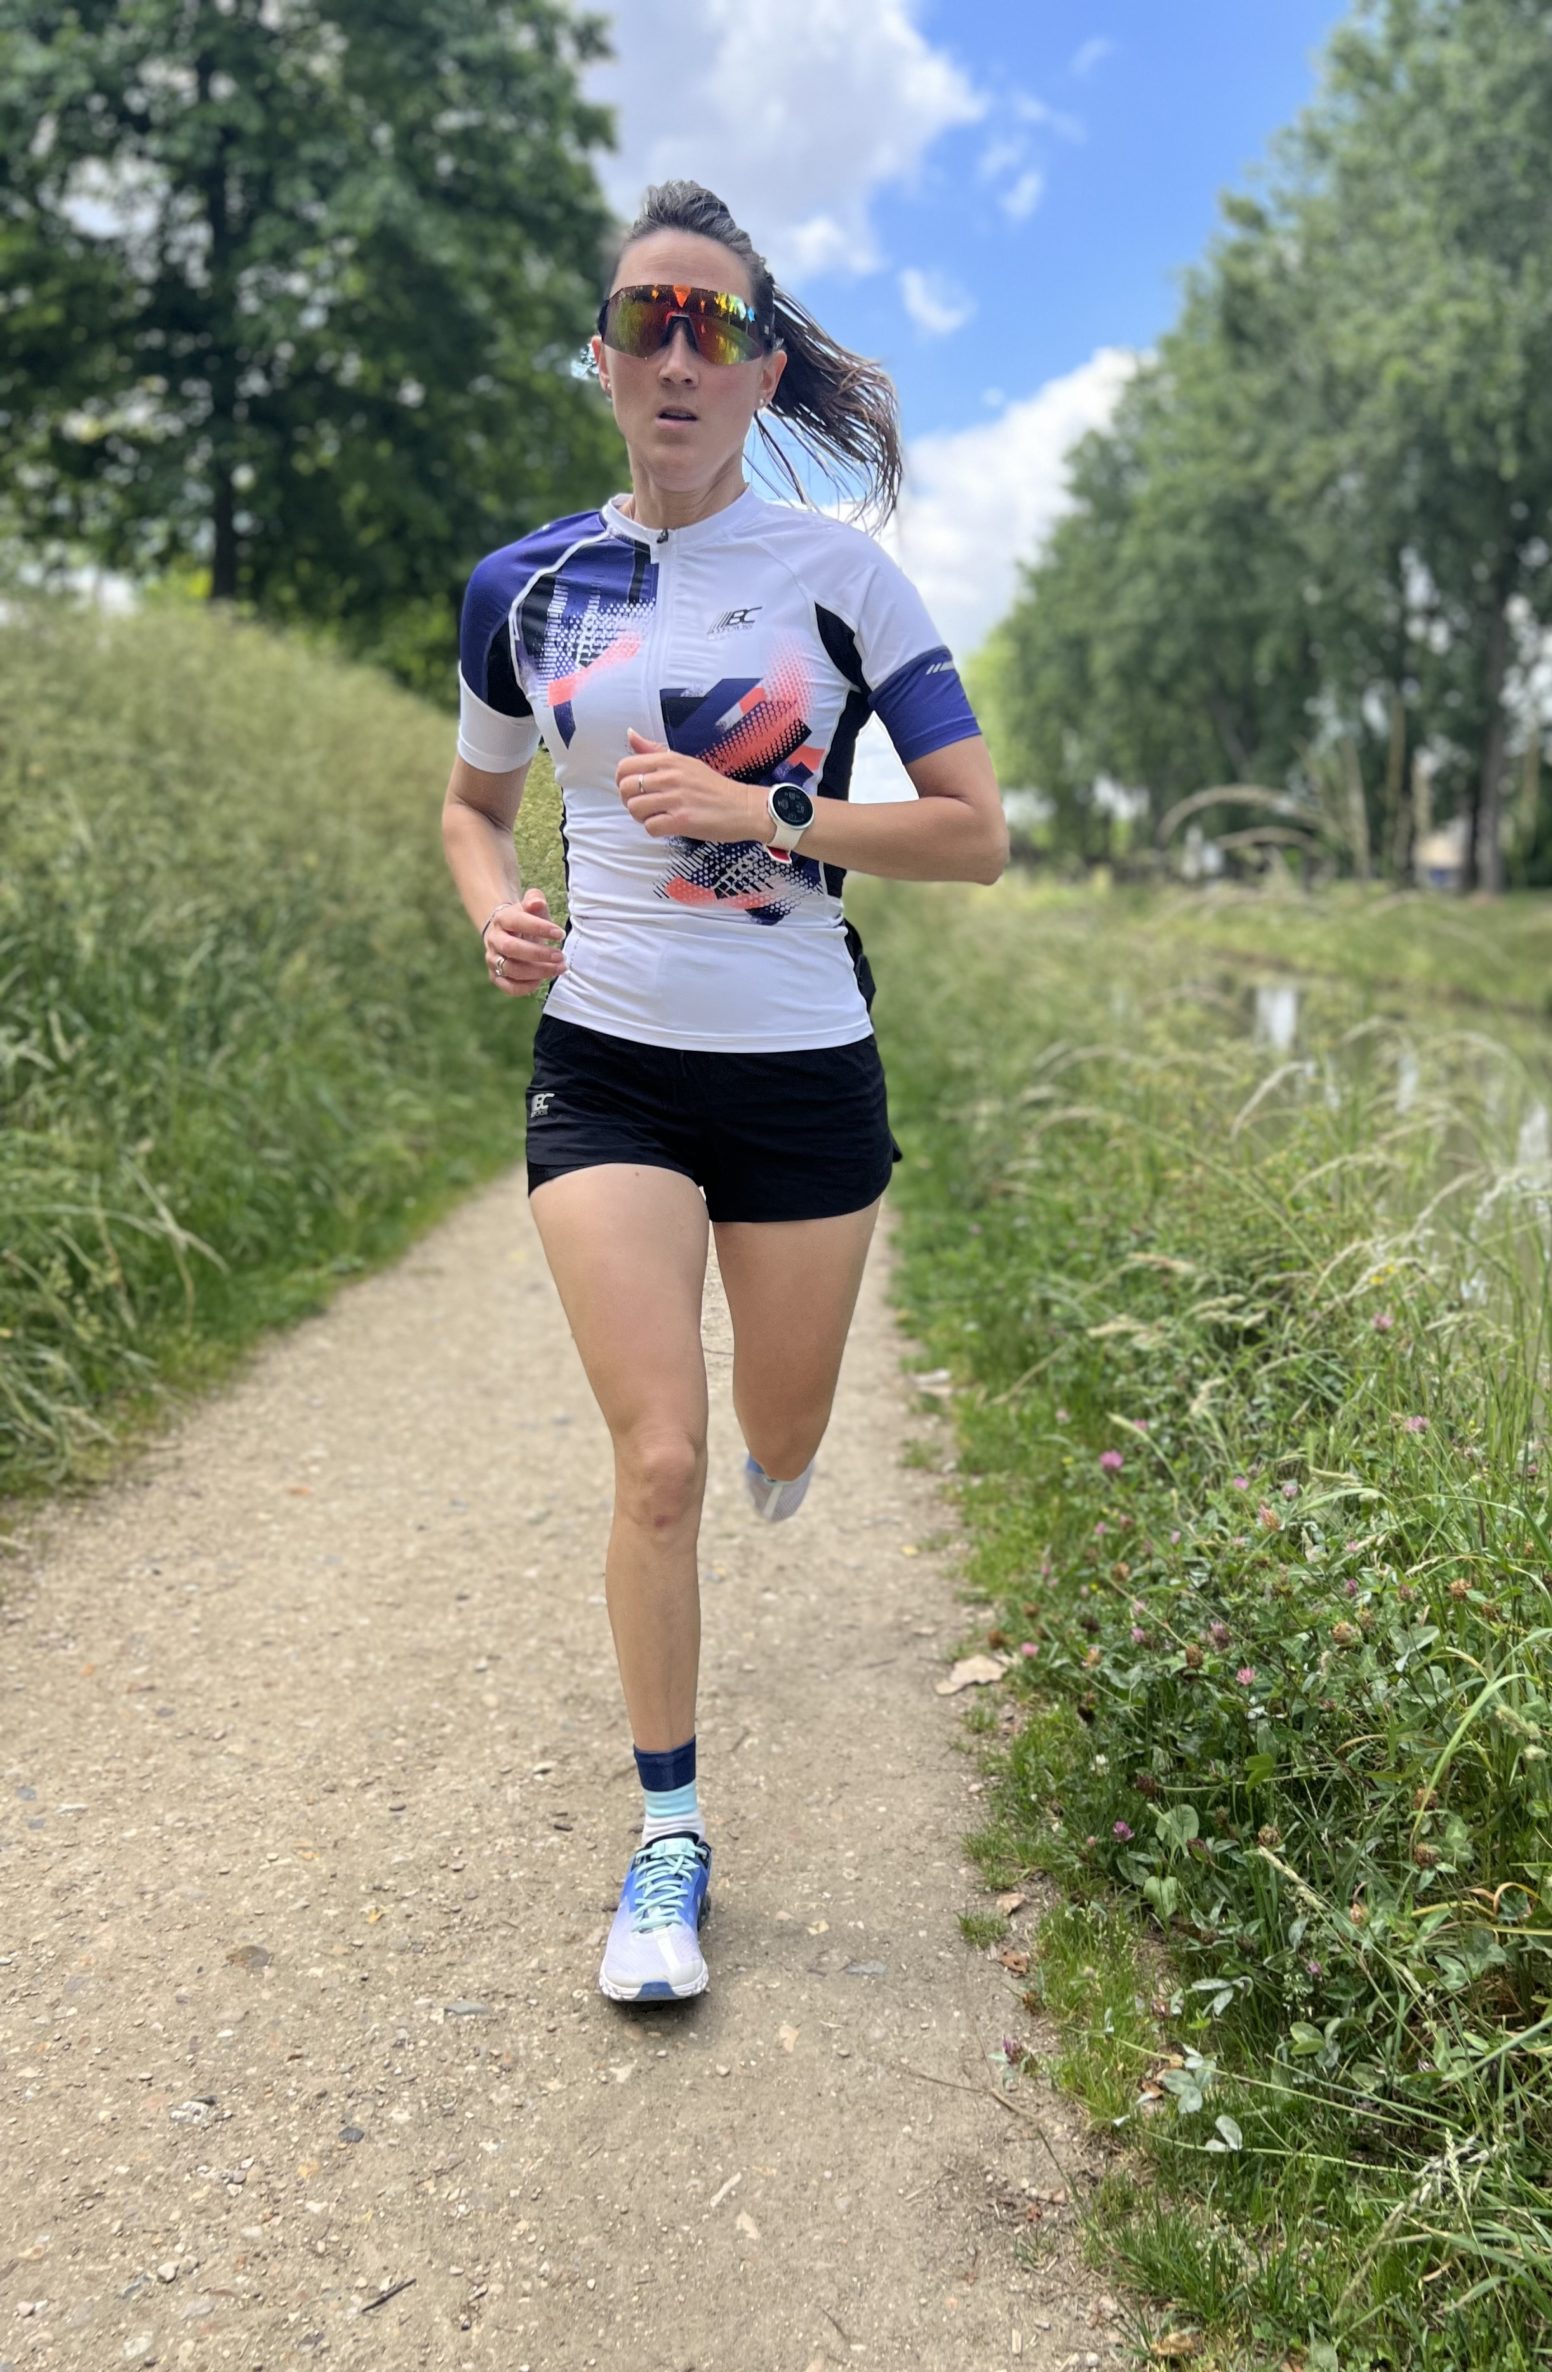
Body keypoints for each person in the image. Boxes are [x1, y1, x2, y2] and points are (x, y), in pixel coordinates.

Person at [440, 179, 1007, 2007]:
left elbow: (974, 835)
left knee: (774, 1427)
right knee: (662, 1462)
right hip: (605, 1064)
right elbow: (472, 807)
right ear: (603, 358)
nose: (679, 353)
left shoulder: (843, 579)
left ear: (764, 371)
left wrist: (770, 810)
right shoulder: (525, 588)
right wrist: (496, 908)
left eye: (718, 326)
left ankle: (789, 1441)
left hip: (801, 1076)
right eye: (646, 319)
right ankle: (669, 1837)